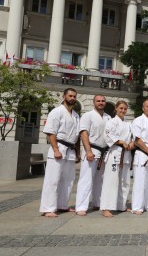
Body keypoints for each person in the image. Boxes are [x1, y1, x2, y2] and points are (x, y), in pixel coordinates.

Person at [39, 88, 80, 218]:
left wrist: (78, 152)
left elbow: (77, 135)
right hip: (59, 147)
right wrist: (56, 149)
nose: (72, 98)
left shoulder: (76, 115)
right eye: (70, 96)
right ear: (64, 96)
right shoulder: (56, 112)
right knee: (53, 179)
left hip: (71, 150)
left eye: (74, 96)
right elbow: (51, 132)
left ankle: (62, 204)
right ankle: (47, 208)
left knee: (68, 180)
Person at [75, 95, 111, 216]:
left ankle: (97, 202)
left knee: (100, 180)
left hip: (104, 152)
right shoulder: (88, 115)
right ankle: (81, 206)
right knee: (86, 179)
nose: (101, 103)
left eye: (103, 101)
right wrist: (88, 150)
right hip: (92, 150)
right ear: (93, 102)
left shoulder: (108, 117)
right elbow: (83, 134)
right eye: (98, 101)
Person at [99, 101, 134, 218]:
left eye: (125, 109)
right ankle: (105, 207)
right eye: (121, 108)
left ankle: (121, 205)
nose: (123, 110)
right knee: (111, 181)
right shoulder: (111, 122)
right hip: (115, 154)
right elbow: (108, 136)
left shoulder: (128, 124)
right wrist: (121, 141)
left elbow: (133, 137)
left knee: (125, 182)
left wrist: (132, 143)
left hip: (126, 155)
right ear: (116, 109)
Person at [130, 99, 148, 215]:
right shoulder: (138, 120)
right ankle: (137, 207)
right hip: (142, 155)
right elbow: (137, 140)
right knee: (140, 182)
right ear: (143, 108)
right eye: (147, 106)